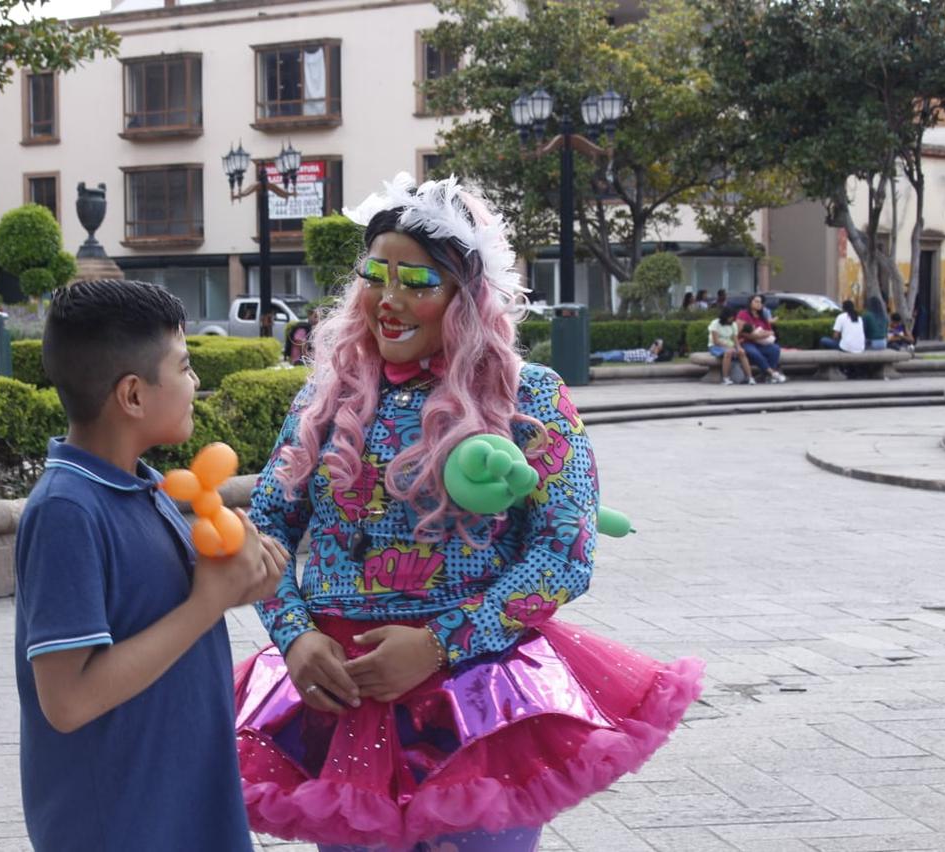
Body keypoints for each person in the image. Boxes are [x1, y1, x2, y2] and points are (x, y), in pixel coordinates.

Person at [236, 174, 704, 852]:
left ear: (465, 296)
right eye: (376, 275)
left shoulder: (529, 396)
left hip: (475, 700)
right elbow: (269, 527)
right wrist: (296, 636)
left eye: (417, 282)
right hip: (341, 696)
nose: (389, 302)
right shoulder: (325, 398)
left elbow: (565, 553)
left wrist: (439, 644)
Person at [13, 278, 289, 852]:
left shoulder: (144, 486)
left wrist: (236, 582)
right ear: (133, 396)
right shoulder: (67, 509)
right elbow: (67, 701)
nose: (195, 382)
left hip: (184, 802)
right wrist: (206, 602)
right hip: (122, 823)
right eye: (184, 367)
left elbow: (157, 614)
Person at [736, 294, 788, 383]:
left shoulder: (762, 315)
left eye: (760, 302)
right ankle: (772, 373)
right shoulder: (743, 314)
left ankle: (766, 375)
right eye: (756, 301)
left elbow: (770, 331)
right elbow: (738, 332)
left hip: (761, 343)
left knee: (775, 349)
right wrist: (754, 336)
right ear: (750, 303)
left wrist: (764, 334)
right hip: (747, 342)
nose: (759, 304)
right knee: (754, 353)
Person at [709, 305, 755, 385]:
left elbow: (735, 339)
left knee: (742, 353)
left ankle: (750, 377)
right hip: (715, 346)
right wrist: (728, 347)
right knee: (728, 353)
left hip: (729, 346)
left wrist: (739, 347)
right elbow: (715, 341)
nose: (733, 319)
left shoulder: (733, 324)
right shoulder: (715, 323)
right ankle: (725, 378)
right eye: (731, 317)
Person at [591, 337, 666, 363]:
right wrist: (656, 345)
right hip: (623, 352)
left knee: (608, 357)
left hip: (624, 357)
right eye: (654, 344)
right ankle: (592, 355)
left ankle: (592, 358)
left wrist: (656, 351)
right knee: (607, 353)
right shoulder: (647, 351)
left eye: (656, 345)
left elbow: (648, 362)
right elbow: (652, 347)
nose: (653, 345)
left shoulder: (653, 357)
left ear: (659, 348)